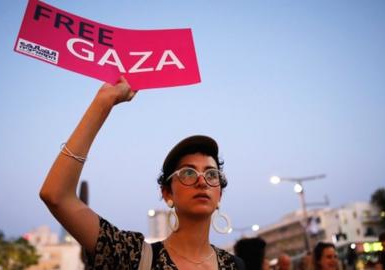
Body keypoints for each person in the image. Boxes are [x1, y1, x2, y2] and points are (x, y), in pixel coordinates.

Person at [39, 77, 244, 269]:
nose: (202, 181)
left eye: (211, 174)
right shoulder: (133, 256)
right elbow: (56, 195)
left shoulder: (236, 266)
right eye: (188, 173)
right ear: (167, 194)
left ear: (220, 196)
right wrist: (103, 102)